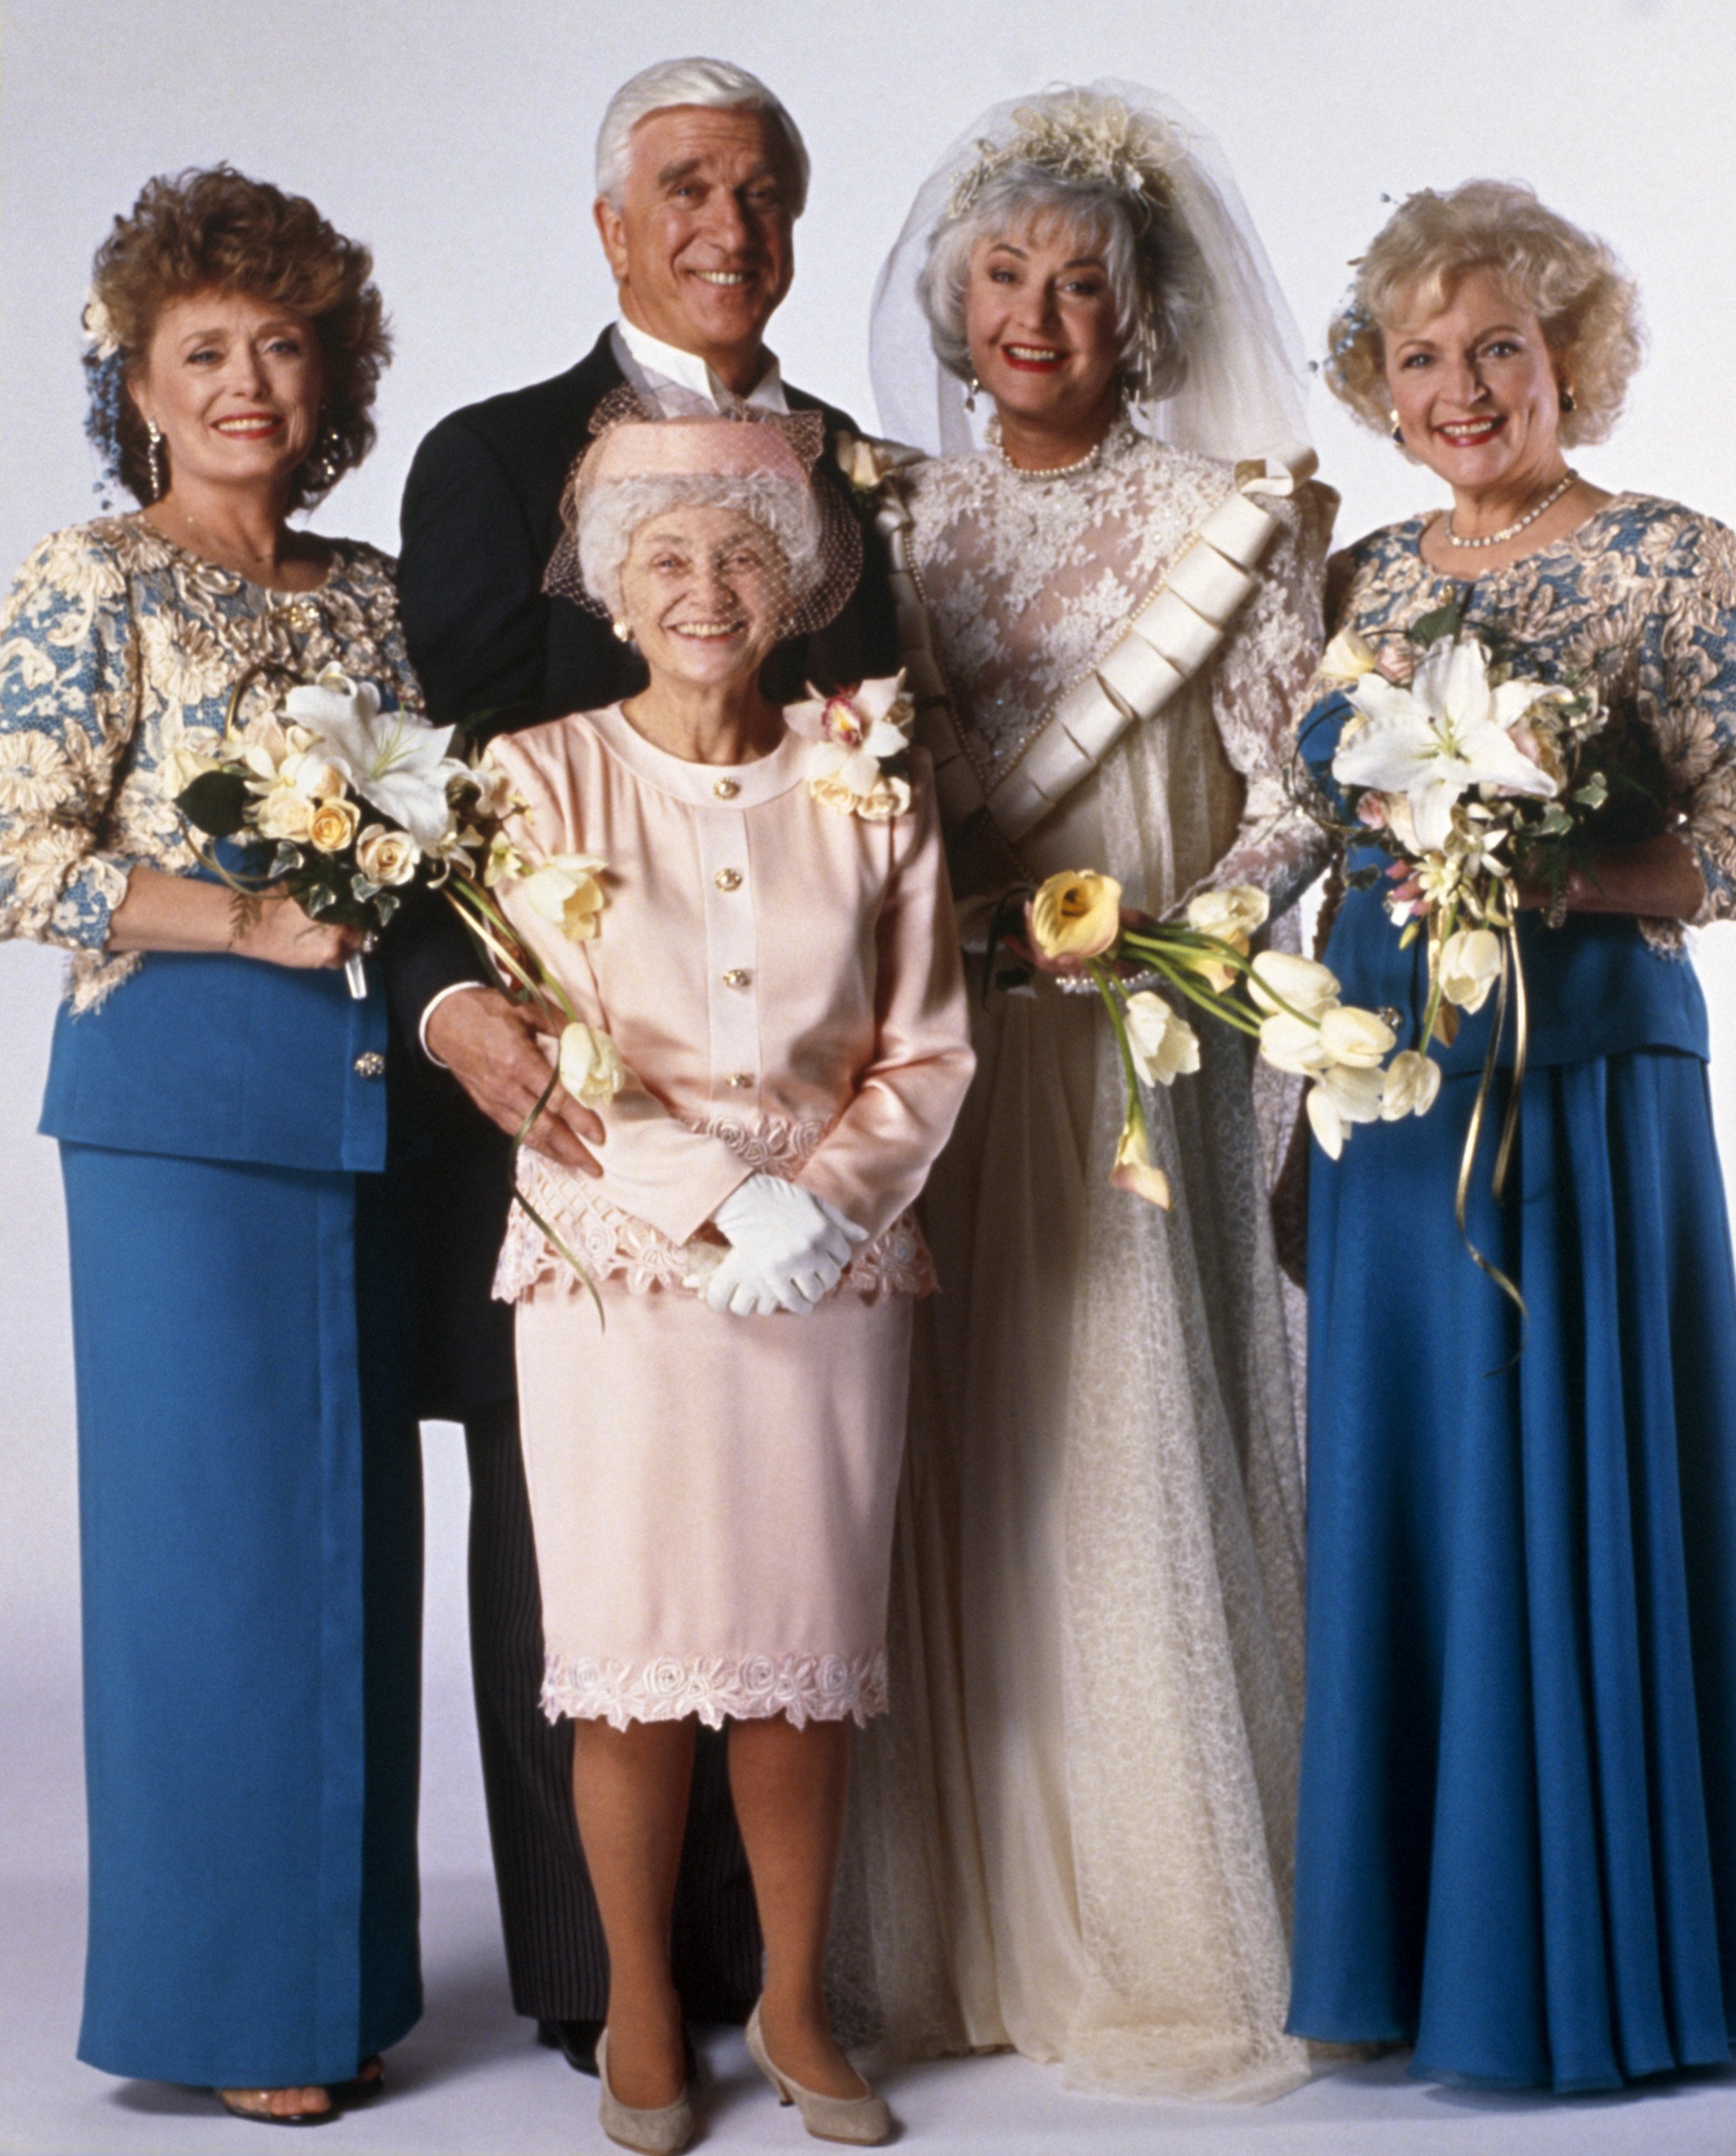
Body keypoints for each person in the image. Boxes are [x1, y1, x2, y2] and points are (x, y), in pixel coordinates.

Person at [391, 58, 899, 2070]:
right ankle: (606, 1994)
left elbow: (877, 757)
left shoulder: (846, 465)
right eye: (686, 186)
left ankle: (784, 1984)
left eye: (761, 191)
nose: (726, 225)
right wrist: (458, 1007)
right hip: (583, 1105)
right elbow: (439, 788)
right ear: (612, 224)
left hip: (805, 1099)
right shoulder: (492, 456)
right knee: (588, 1582)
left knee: (786, 1583)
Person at [836, 86, 1336, 2099]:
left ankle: (1153, 1922)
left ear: (1143, 315)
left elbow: (1298, 793)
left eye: (1078, 285)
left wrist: (1169, 942)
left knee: (1119, 1446)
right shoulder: (891, 522)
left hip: (1135, 1049)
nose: (1035, 317)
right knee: (951, 1450)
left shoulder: (1235, 515)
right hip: (942, 1057)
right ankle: (960, 1933)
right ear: (952, 306)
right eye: (1003, 277)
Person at [482, 405, 973, 2152]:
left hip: (826, 1283)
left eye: (743, 555)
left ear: (797, 583)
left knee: (797, 1656)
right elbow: (546, 1056)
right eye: (668, 558)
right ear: (613, 588)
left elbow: (926, 1046)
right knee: (625, 1655)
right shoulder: (534, 776)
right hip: (613, 1271)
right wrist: (712, 1201)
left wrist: (819, 1207)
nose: (705, 588)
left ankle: (792, 1997)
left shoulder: (869, 772)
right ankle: (634, 1998)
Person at [1287, 180, 1736, 2091]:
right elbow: (1307, 827)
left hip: (1587, 1093)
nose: (1461, 390)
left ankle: (1607, 1967)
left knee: (1578, 1472)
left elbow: (1728, 845)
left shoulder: (1675, 562)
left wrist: (1547, 879)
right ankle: (1408, 1957)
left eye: (1499, 349)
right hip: (1388, 1100)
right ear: (1377, 386)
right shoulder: (1361, 579)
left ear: (1569, 359)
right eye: (1421, 358)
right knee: (1417, 1483)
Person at [0, 167, 422, 2124]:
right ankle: (231, 2014)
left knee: (348, 1550)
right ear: (140, 383)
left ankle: (337, 1983)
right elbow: (19, 851)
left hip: (370, 1103)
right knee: (212, 1569)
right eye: (204, 351)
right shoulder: (92, 577)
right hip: (175, 1106)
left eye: (282, 344)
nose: (248, 381)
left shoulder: (378, 597)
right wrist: (248, 917)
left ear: (331, 375)